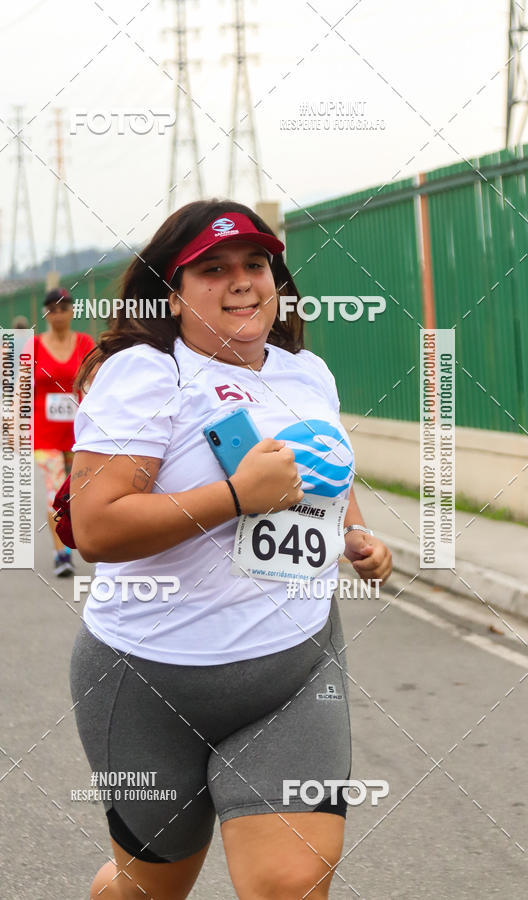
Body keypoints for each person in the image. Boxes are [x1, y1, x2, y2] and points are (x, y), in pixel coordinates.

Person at [69, 200, 393, 900]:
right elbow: (96, 527)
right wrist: (237, 497)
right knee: (147, 891)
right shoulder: (147, 374)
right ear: (172, 293)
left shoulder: (307, 373)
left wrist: (356, 535)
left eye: (255, 263)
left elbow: (323, 474)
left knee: (289, 883)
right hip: (146, 678)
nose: (242, 280)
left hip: (293, 671)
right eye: (212, 269)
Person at [32, 288, 95, 576]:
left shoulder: (84, 343)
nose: (58, 313)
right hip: (44, 434)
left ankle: (78, 543)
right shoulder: (33, 346)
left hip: (78, 433)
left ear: (72, 311)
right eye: (52, 308)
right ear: (45, 313)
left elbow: (95, 382)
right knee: (53, 489)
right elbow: (21, 389)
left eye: (63, 307)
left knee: (76, 493)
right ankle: (61, 554)